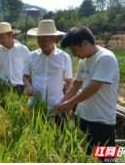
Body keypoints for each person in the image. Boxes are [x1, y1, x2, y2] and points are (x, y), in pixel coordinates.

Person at [53, 25, 119, 162]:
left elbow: (93, 87)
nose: (74, 54)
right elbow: (76, 84)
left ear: (84, 43)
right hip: (83, 118)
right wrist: (62, 101)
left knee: (105, 159)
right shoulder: (84, 61)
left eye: (74, 50)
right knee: (85, 157)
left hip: (102, 121)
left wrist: (71, 103)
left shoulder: (106, 58)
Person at [22, 19, 73, 129]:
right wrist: (29, 87)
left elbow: (69, 82)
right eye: (39, 39)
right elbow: (25, 76)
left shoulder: (64, 57)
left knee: (58, 140)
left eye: (45, 39)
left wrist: (69, 103)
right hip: (35, 107)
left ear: (54, 38)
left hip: (57, 108)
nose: (41, 42)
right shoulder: (32, 56)